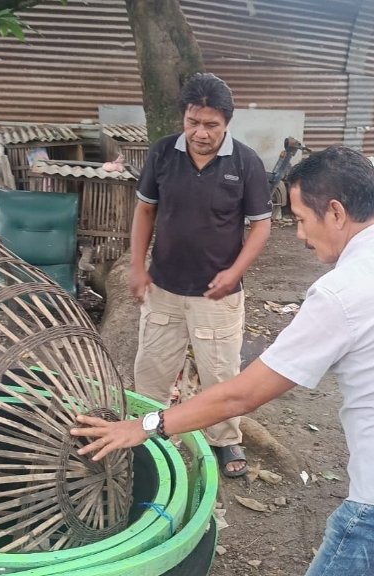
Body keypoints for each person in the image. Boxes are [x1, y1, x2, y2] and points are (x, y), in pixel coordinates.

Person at [76, 146, 374, 576]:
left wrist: (145, 425)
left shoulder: (342, 293)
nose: (298, 234)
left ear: (335, 212)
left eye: (299, 219)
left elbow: (243, 395)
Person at [128, 73, 272, 478]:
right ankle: (148, 435)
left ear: (226, 122)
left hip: (217, 294)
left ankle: (225, 440)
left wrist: (234, 272)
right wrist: (138, 267)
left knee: (220, 370)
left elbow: (261, 225)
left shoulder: (245, 162)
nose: (200, 133)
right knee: (151, 368)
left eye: (211, 125)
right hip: (164, 287)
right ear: (184, 117)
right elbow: (145, 211)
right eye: (193, 122)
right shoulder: (162, 154)